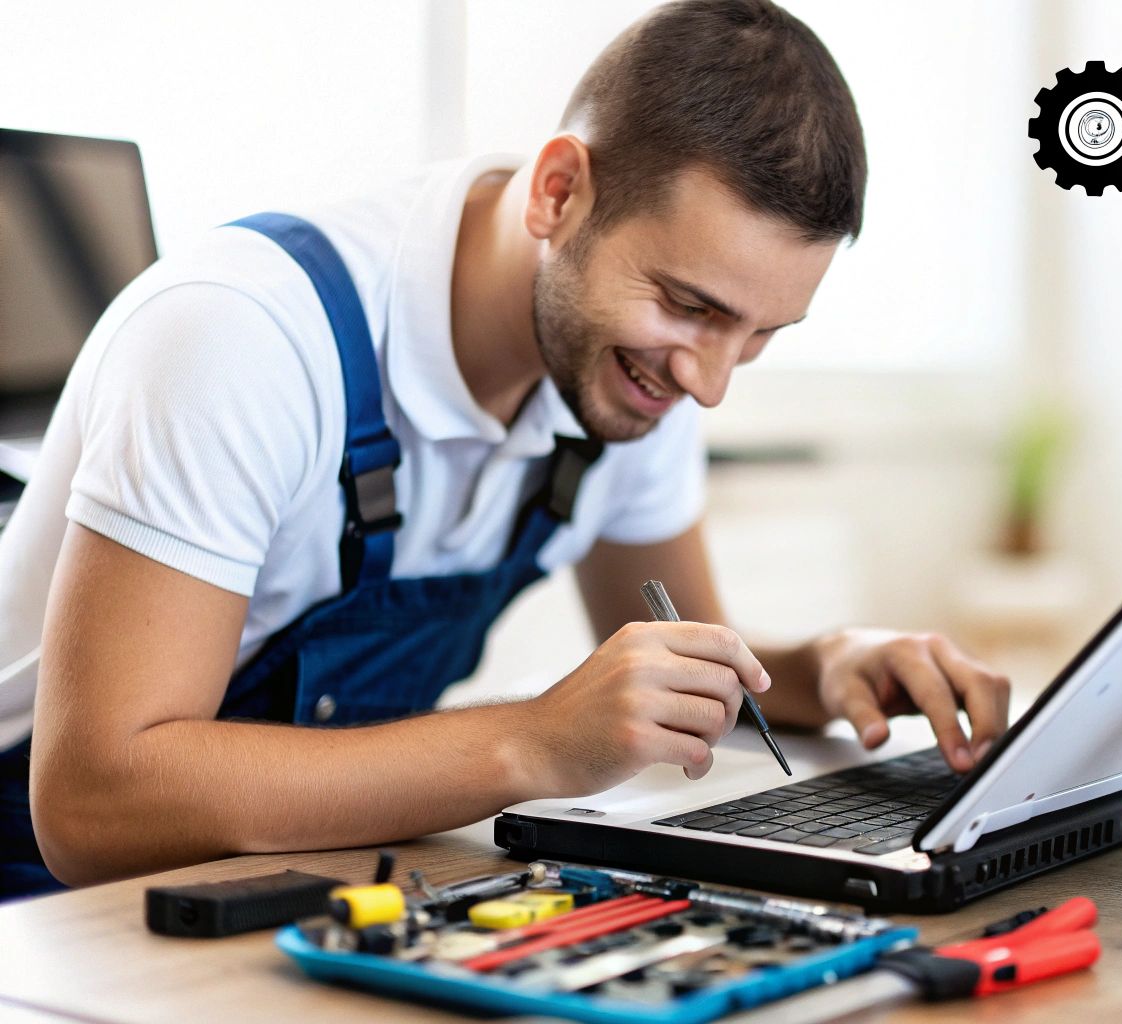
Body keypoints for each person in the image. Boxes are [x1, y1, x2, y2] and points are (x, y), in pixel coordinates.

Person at [0, 0, 1010, 899]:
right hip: (45, 896)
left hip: (281, 872)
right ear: (558, 193)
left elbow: (690, 658)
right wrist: (532, 741)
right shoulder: (241, 335)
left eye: (756, 335)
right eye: (691, 306)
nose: (709, 381)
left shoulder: (627, 372)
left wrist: (826, 664)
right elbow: (94, 806)